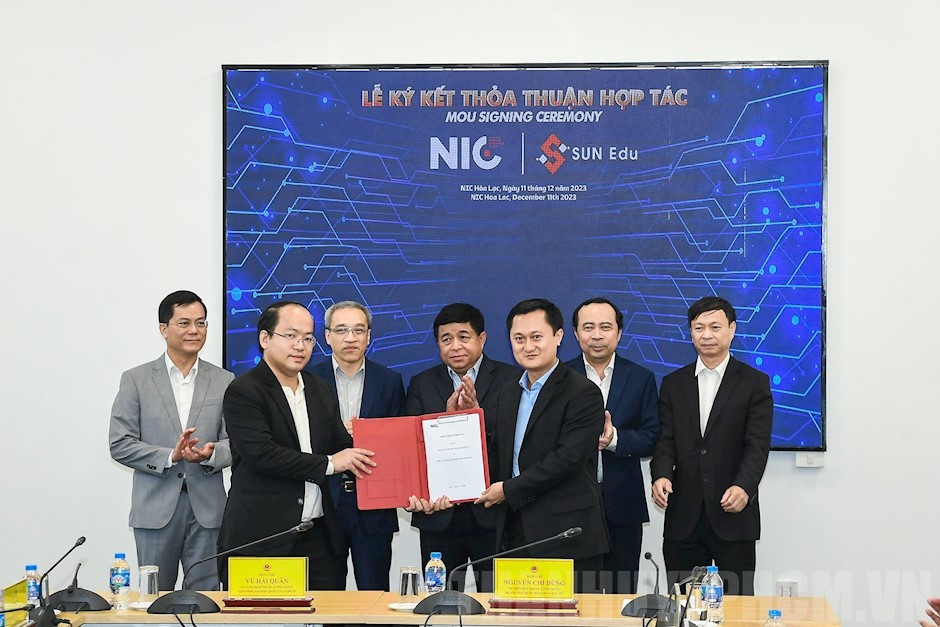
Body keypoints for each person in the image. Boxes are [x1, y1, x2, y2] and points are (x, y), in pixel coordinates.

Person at [218, 301, 376, 590]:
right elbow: (262, 455)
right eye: (290, 336)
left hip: (318, 538)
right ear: (265, 338)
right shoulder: (244, 391)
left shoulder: (319, 389)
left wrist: (391, 455)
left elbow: (343, 446)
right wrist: (330, 463)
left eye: (307, 338)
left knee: (328, 612)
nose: (300, 346)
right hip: (264, 538)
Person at [477, 298, 609, 593]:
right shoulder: (507, 392)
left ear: (558, 336)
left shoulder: (583, 392)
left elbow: (567, 459)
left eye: (536, 337)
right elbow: (499, 454)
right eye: (519, 338)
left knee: (573, 615)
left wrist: (508, 489)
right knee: (518, 613)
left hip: (566, 534)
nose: (528, 346)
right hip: (514, 530)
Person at [109, 290, 233, 591]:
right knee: (153, 599)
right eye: (185, 323)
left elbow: (237, 442)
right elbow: (120, 443)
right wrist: (170, 456)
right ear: (164, 329)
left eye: (201, 323)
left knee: (205, 600)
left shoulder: (225, 380)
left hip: (208, 511)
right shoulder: (136, 379)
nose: (194, 330)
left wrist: (210, 454)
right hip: (155, 510)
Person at [650, 296, 773, 596]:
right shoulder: (673, 383)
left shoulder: (754, 383)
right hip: (683, 516)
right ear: (690, 332)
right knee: (684, 605)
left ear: (732, 329)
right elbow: (665, 439)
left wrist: (744, 487)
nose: (706, 335)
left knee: (737, 606)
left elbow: (757, 445)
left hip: (733, 512)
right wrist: (661, 475)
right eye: (699, 327)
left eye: (715, 327)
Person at [404, 303, 519, 592]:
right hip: (439, 515)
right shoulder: (421, 384)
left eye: (463, 337)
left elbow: (516, 442)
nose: (455, 346)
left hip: (493, 513)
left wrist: (475, 416)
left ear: (482, 339)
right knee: (441, 601)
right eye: (446, 339)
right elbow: (412, 449)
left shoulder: (512, 379)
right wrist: (446, 421)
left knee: (496, 602)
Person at [307, 301, 405, 591]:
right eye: (341, 330)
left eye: (358, 330)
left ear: (369, 336)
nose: (350, 338)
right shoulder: (307, 380)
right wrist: (339, 433)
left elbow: (399, 443)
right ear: (327, 336)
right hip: (324, 503)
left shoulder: (389, 381)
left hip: (373, 506)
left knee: (374, 594)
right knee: (326, 597)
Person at [565, 297, 659, 594]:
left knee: (622, 594)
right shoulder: (559, 378)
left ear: (619, 333)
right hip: (571, 505)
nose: (597, 335)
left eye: (605, 327)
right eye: (588, 327)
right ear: (575, 333)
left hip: (623, 504)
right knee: (578, 596)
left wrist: (614, 439)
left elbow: (652, 436)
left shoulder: (641, 378)